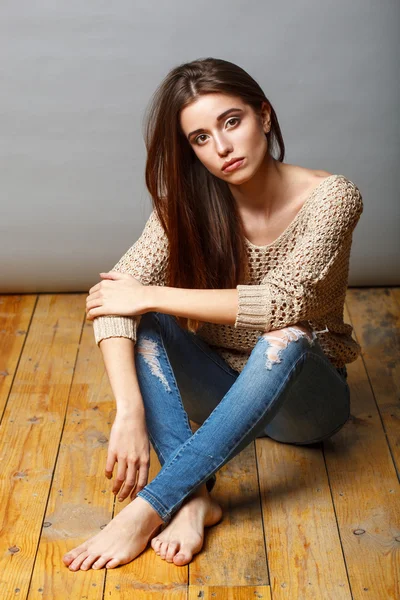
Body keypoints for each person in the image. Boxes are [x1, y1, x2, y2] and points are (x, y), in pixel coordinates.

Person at [62, 57, 363, 572]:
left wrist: (152, 295)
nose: (221, 148)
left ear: (263, 116)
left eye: (231, 122)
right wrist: (129, 411)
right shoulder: (187, 207)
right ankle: (197, 496)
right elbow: (111, 300)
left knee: (284, 336)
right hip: (223, 390)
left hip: (306, 403)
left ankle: (152, 505)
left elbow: (281, 304)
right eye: (200, 138)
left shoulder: (332, 198)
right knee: (144, 323)